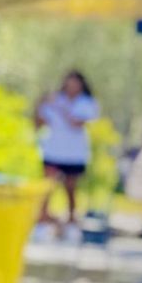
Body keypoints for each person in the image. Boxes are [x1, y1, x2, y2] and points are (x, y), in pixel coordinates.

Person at [34, 69, 100, 243]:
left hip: (74, 153)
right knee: (47, 187)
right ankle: (42, 221)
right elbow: (40, 123)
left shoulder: (86, 103)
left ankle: (71, 221)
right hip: (53, 150)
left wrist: (60, 107)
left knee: (70, 188)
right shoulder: (54, 100)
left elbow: (76, 123)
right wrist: (40, 104)